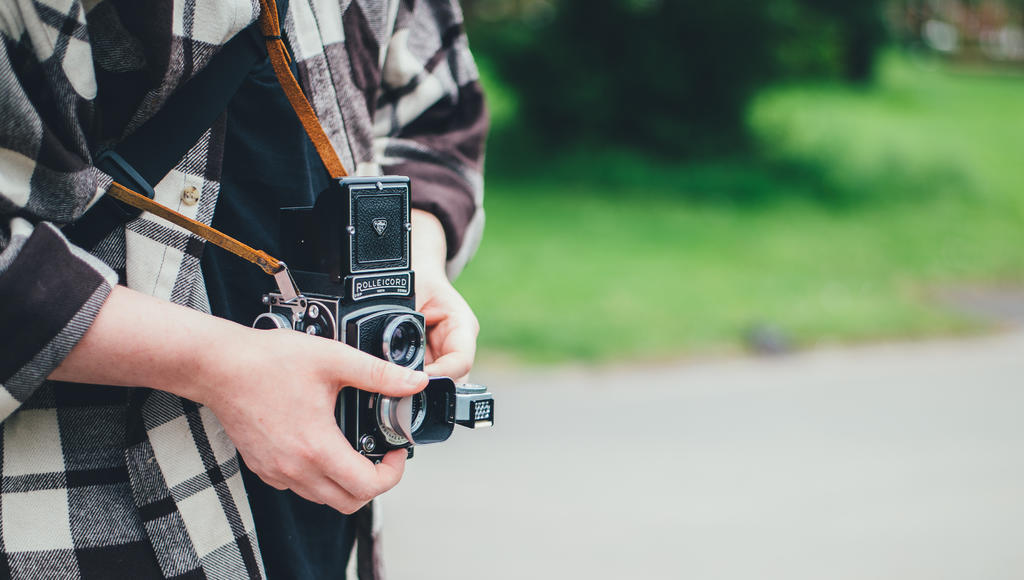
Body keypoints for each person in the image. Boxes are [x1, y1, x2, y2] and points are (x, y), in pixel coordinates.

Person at [0, 0, 487, 578]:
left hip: (322, 519)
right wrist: (218, 363)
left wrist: (407, 260)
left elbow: (436, 118)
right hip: (83, 511)